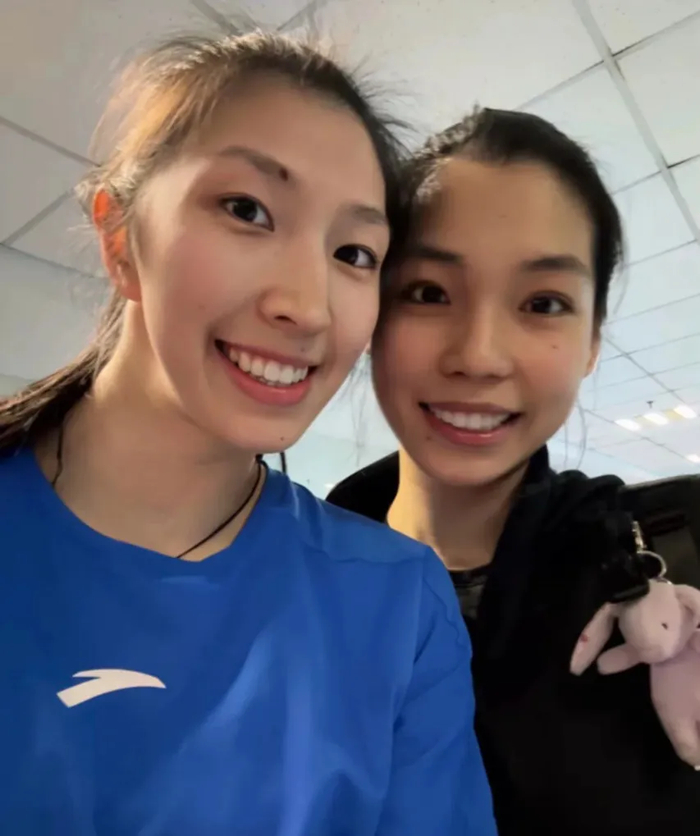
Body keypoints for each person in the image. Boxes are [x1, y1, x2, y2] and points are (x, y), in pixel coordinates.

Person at [0, 33, 496, 835]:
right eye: (246, 210)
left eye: (354, 252)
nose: (306, 305)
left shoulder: (395, 606)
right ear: (121, 237)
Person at [328, 108, 700, 835]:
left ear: (591, 343)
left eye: (543, 303)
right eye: (429, 292)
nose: (479, 356)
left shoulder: (681, 551)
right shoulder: (288, 586)